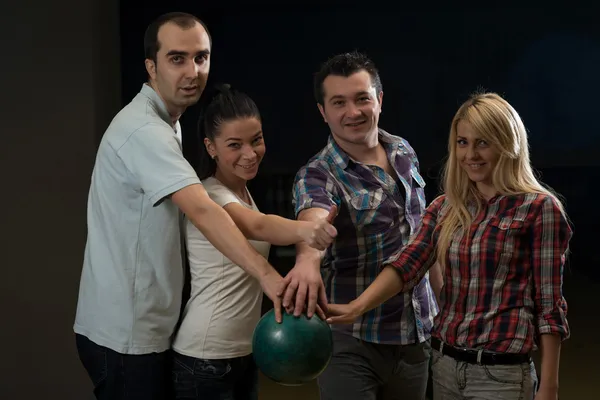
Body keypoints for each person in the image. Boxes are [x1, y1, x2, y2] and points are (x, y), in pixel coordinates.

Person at [73, 13, 288, 400]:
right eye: (177, 59)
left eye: (201, 57)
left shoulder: (169, 122)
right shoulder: (144, 130)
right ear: (151, 67)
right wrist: (268, 276)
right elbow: (204, 211)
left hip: (149, 329)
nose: (193, 71)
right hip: (126, 336)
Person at [326, 92, 572, 400]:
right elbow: (409, 263)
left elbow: (549, 306)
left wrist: (549, 386)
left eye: (483, 142)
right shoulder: (446, 207)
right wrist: (357, 307)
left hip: (501, 377)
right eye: (463, 142)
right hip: (444, 367)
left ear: (509, 143)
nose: (471, 154)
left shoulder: (539, 209)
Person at [280, 51, 442, 400]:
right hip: (351, 341)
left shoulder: (403, 151)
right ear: (323, 112)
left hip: (416, 338)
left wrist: (444, 311)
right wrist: (307, 260)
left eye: (361, 98)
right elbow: (313, 221)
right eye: (338, 102)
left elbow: (424, 242)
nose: (352, 112)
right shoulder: (317, 175)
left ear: (379, 100)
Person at [170, 84, 337, 400]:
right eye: (235, 145)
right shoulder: (210, 194)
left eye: (256, 140)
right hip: (204, 357)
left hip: (245, 353)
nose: (250, 153)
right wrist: (308, 231)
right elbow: (258, 225)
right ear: (211, 147)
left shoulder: (244, 193)